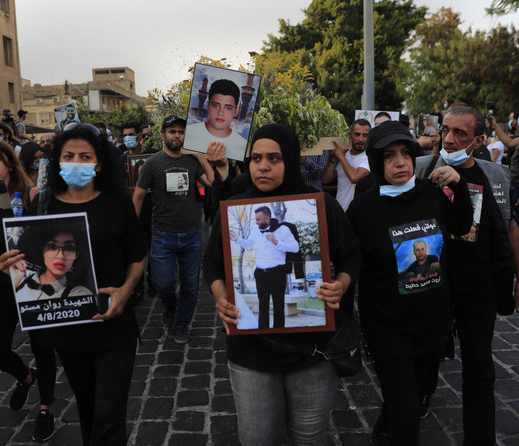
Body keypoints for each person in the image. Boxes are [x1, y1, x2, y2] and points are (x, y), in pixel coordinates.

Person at [203, 123, 360, 445]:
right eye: (256, 158)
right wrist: (221, 296)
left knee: (309, 436)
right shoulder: (234, 210)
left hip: (313, 353)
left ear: (290, 160)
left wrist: (341, 284)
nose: (263, 166)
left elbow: (352, 256)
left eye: (274, 158)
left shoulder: (320, 205)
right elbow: (212, 263)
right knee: (258, 437)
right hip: (251, 355)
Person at [0, 124, 146, 445]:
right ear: (57, 162)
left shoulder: (117, 202)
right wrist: (12, 265)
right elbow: (31, 259)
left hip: (114, 326)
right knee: (89, 409)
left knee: (109, 412)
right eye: (68, 156)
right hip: (69, 330)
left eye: (85, 156)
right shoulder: (45, 206)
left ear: (99, 163)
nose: (76, 162)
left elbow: (138, 255)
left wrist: (126, 290)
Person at [347, 121, 473, 445]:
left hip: (432, 321)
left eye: (405, 153)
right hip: (387, 326)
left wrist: (459, 186)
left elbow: (460, 225)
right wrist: (343, 323)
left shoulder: (431, 193)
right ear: (377, 162)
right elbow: (349, 265)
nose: (400, 162)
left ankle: (384, 428)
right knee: (406, 413)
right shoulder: (362, 209)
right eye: (389, 156)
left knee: (411, 399)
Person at [414, 105, 515, 444]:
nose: (451, 139)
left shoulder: (493, 177)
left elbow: (502, 230)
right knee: (424, 358)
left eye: (461, 134)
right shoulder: (422, 170)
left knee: (479, 370)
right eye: (446, 130)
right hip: (434, 285)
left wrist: (513, 284)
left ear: (478, 140)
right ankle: (415, 403)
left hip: (478, 289)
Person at [0, 140, 57, 440]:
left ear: (9, 163)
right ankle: (25, 376)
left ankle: (46, 407)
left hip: (33, 282)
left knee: (43, 347)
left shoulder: (30, 195)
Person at [132, 115, 212, 344]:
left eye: (180, 132)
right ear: (163, 135)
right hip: (162, 235)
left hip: (191, 234)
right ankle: (170, 307)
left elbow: (213, 182)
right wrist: (133, 230)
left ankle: (182, 324)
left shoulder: (192, 162)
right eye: (172, 132)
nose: (177, 136)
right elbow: (138, 196)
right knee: (163, 284)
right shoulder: (153, 163)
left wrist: (200, 156)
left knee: (190, 284)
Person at [229, 206, 298, 329]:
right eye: (255, 219)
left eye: (258, 219)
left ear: (267, 218)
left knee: (278, 305)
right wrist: (237, 239)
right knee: (263, 305)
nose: (256, 222)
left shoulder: (283, 230)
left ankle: (279, 331)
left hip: (277, 273)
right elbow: (249, 243)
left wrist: (277, 242)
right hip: (261, 273)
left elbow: (295, 247)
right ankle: (263, 331)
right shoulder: (255, 230)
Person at [11, 223, 93, 302]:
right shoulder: (19, 282)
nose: (60, 256)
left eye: (69, 248)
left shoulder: (80, 295)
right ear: (42, 250)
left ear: (76, 254)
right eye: (52, 246)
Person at [184, 79, 248, 160]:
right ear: (208, 105)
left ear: (236, 111)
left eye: (228, 108)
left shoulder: (242, 145)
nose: (220, 112)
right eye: (215, 105)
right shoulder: (189, 133)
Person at [322, 118, 372, 211]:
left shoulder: (369, 157)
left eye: (365, 135)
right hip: (340, 209)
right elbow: (326, 179)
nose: (361, 139)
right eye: (357, 134)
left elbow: (354, 178)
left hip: (358, 212)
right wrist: (334, 159)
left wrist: (341, 156)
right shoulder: (344, 155)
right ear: (350, 135)